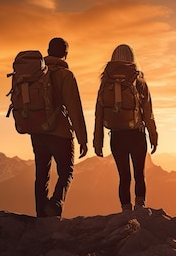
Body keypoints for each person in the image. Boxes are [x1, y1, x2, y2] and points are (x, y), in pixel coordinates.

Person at [93, 44, 158, 211]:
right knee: (139, 174)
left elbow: (99, 114)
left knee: (124, 176)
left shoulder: (104, 83)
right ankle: (140, 208)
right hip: (136, 135)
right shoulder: (140, 82)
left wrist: (97, 142)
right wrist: (153, 136)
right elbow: (148, 114)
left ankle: (126, 211)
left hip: (116, 136)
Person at [32, 37, 88, 218]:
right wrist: (82, 139)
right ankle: (55, 205)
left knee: (42, 173)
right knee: (66, 172)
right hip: (60, 134)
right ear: (65, 54)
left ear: (48, 51)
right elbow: (74, 109)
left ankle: (40, 213)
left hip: (38, 131)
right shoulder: (66, 76)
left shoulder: (36, 74)